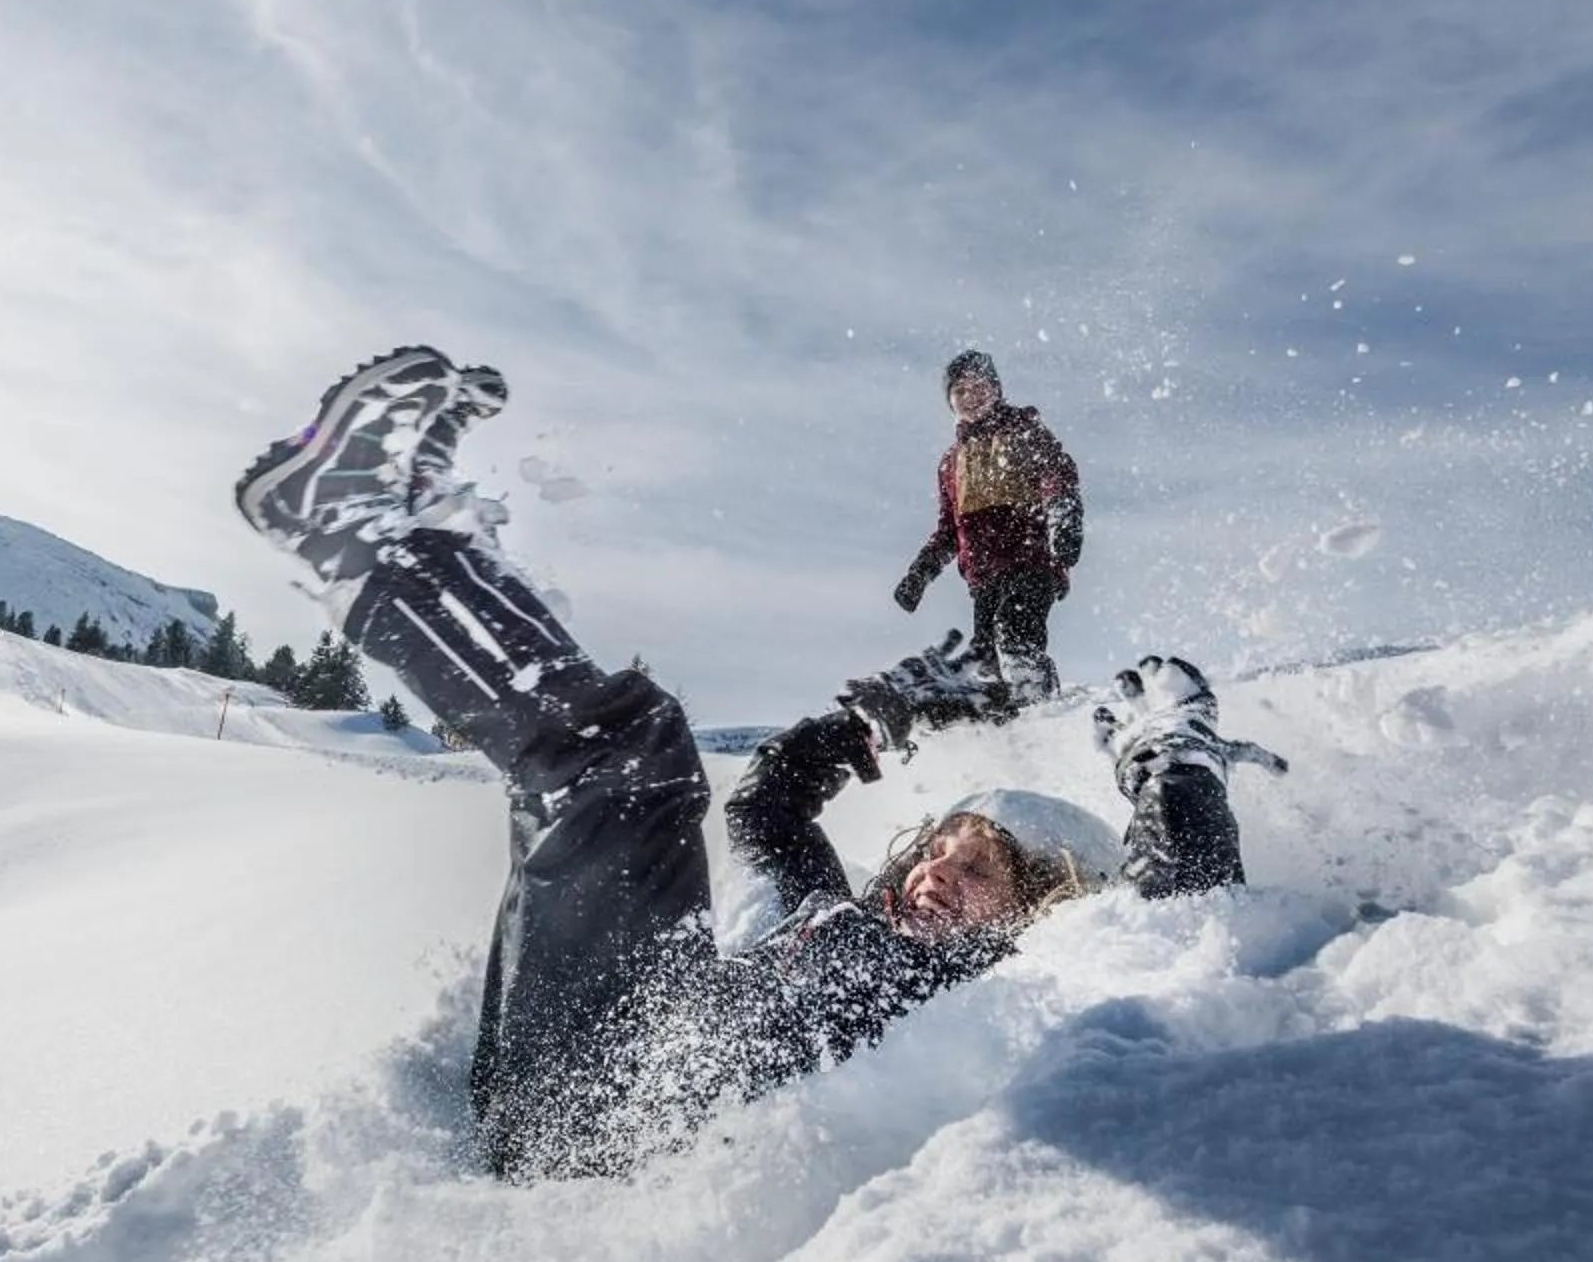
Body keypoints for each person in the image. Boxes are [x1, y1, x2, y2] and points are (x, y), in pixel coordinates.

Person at [237, 347, 1093, 1179]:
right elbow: (767, 807)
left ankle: (361, 535)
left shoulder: (992, 994)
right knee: (627, 755)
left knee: (623, 756)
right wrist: (875, 722)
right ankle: (414, 529)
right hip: (620, 1053)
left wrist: (1177, 758)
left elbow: (1183, 915)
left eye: (978, 866)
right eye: (939, 848)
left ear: (1036, 906)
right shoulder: (840, 916)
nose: (936, 870)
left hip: (614, 1109)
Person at [894, 349, 1081, 700]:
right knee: (987, 659)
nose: (970, 397)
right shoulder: (951, 464)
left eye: (978, 387)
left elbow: (1057, 475)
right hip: (983, 578)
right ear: (950, 402)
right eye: (960, 391)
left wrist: (1065, 517)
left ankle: (1038, 702)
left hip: (1031, 562)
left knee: (1013, 632)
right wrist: (919, 574)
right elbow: (949, 531)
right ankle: (1005, 733)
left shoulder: (1023, 429)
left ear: (996, 390)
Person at [1090, 655, 1289, 897]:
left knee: (1153, 874)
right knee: (1221, 887)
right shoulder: (1217, 745)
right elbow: (1251, 752)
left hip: (1153, 777)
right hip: (1196, 779)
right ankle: (1152, 737)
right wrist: (1276, 764)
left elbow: (1250, 752)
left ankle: (1137, 742)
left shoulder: (1211, 746)